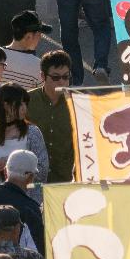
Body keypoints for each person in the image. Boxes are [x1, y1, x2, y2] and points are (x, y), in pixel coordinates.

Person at [25, 52, 75, 185]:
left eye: (66, 77)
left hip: (64, 179)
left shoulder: (77, 103)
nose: (62, 82)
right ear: (43, 76)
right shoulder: (26, 100)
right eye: (56, 77)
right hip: (33, 179)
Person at [0, 84, 49, 182]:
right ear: (5, 105)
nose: (24, 108)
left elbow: (43, 170)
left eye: (25, 104)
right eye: (20, 104)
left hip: (26, 191)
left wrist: (9, 163)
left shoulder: (32, 132)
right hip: (1, 190)